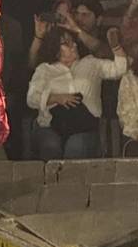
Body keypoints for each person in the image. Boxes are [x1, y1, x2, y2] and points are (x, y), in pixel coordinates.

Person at [27, 26, 127, 160]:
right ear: (55, 48)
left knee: (76, 146)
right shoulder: (45, 69)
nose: (73, 45)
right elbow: (31, 99)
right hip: (51, 125)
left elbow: (119, 70)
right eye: (66, 43)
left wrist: (116, 48)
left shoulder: (91, 63)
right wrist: (56, 98)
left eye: (73, 41)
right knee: (51, 145)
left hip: (85, 126)